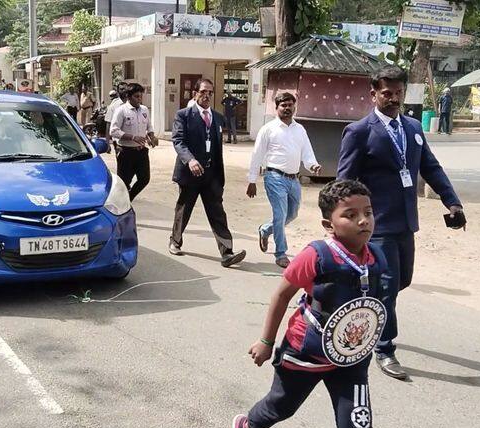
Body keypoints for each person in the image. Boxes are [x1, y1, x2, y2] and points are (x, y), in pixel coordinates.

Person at [232, 179, 388, 428]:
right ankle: (247, 427)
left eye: (368, 212)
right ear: (329, 225)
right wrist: (266, 343)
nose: (363, 221)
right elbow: (282, 294)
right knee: (281, 407)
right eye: (350, 215)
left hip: (351, 360)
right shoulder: (316, 256)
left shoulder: (377, 258)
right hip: (306, 353)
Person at [337, 65, 464, 380]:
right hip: (375, 227)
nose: (393, 99)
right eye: (386, 93)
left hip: (406, 223)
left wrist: (452, 200)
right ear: (373, 94)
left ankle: (365, 300)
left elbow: (430, 167)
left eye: (398, 93)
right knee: (389, 286)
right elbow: (344, 180)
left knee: (402, 280)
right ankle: (384, 347)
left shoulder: (412, 128)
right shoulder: (360, 131)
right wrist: (342, 220)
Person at [170, 78, 246, 267]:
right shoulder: (184, 115)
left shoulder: (218, 117)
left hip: (211, 174)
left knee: (217, 212)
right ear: (195, 93)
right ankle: (175, 240)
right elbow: (178, 141)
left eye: (210, 93)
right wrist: (191, 160)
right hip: (191, 173)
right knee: (184, 208)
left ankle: (227, 252)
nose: (207, 96)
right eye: (203, 92)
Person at [247, 92, 321, 268]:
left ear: (295, 107)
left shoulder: (300, 129)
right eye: (284, 105)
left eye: (290, 105)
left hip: (293, 179)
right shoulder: (268, 129)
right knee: (279, 214)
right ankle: (281, 253)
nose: (287, 108)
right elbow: (256, 155)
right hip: (274, 177)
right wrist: (252, 180)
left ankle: (265, 230)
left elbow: (307, 153)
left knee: (292, 214)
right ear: (277, 107)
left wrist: (313, 166)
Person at [109, 83, 158, 201]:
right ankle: (120, 202)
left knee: (144, 179)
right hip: (126, 152)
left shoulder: (144, 110)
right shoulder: (121, 111)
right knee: (124, 182)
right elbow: (113, 131)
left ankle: (129, 199)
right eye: (136, 96)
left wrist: (152, 136)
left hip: (141, 151)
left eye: (141, 96)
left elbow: (149, 126)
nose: (139, 99)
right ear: (129, 97)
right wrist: (132, 137)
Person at [105, 82, 128, 150]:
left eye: (125, 88)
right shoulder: (114, 106)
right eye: (122, 89)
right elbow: (108, 124)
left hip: (132, 141)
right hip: (118, 142)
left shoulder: (133, 103)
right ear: (118, 92)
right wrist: (107, 143)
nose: (124, 90)